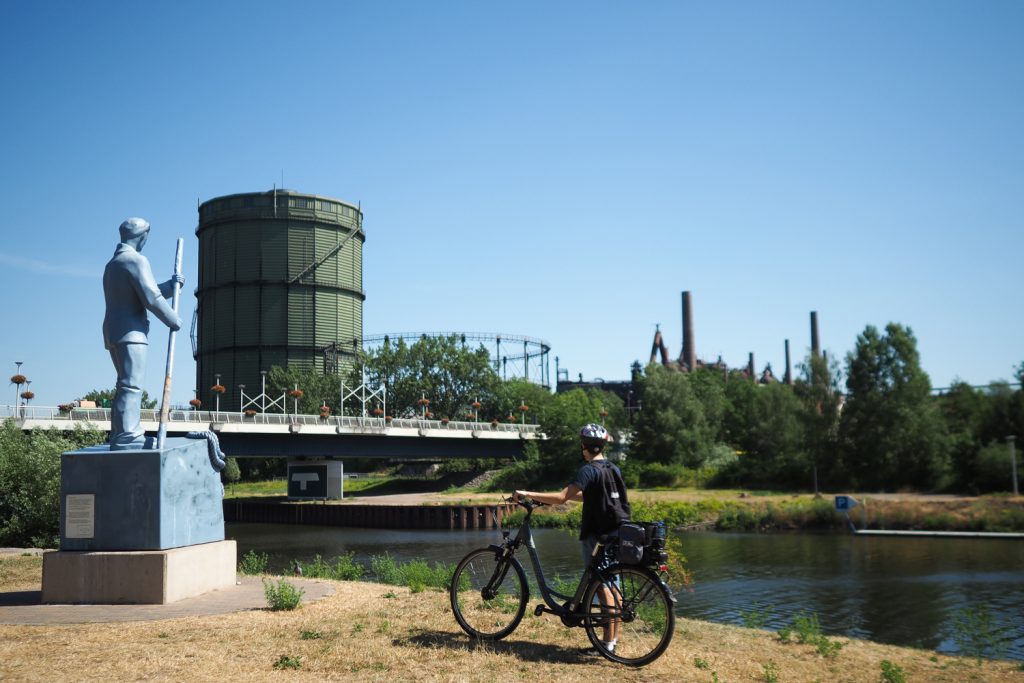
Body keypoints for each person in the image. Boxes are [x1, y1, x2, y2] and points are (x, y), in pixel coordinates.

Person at [514, 423, 631, 654]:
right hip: (619, 532)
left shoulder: (588, 470)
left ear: (583, 446)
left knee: (602, 587)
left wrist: (527, 493)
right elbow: (592, 497)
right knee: (612, 585)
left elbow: (560, 498)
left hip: (597, 535)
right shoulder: (612, 468)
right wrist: (550, 499)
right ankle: (611, 641)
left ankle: (606, 646)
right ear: (603, 445)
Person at [102, 217, 183, 450]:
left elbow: (139, 293)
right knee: (131, 385)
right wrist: (173, 319)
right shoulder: (136, 260)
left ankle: (121, 433)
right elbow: (150, 297)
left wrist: (172, 285)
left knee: (124, 384)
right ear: (143, 236)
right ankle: (128, 436)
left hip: (113, 331)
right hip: (132, 332)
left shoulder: (113, 264)